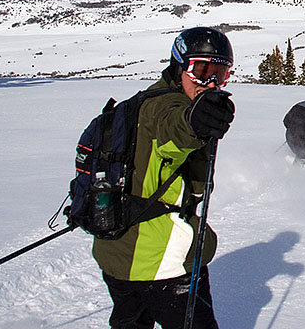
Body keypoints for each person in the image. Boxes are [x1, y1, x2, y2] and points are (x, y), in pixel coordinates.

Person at [93, 26, 236, 329]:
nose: (210, 83)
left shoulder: (146, 99)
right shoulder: (167, 107)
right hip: (160, 263)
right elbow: (173, 132)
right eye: (202, 70)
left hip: (116, 254)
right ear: (179, 65)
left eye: (220, 74)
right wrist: (194, 123)